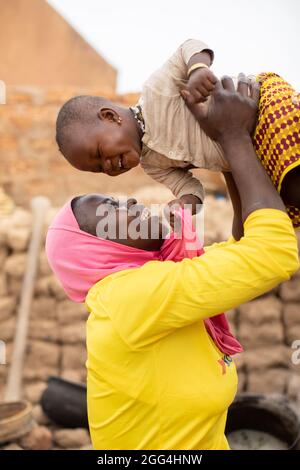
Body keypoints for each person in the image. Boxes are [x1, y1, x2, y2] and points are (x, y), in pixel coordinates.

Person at [46, 77, 299, 450]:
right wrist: (234, 136)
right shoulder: (130, 298)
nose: (130, 203)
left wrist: (223, 155)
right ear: (94, 250)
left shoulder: (149, 281)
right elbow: (272, 252)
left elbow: (243, 247)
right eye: (109, 210)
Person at [55, 39, 300, 228]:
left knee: (291, 187)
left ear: (110, 117)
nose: (107, 165)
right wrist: (184, 205)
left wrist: (197, 70)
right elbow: (189, 187)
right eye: (99, 169)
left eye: (99, 153)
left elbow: (189, 47)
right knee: (269, 214)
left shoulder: (156, 93)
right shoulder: (153, 165)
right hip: (246, 151)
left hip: (259, 106)